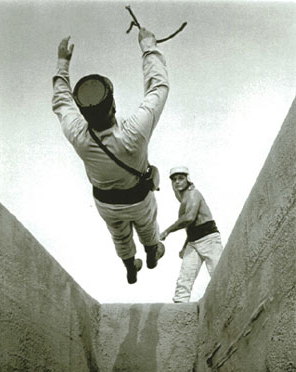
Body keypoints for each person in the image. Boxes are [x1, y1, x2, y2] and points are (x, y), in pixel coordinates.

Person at [52, 28, 169, 284]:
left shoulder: (79, 136)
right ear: (113, 105)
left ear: (84, 114)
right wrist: (148, 45)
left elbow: (61, 102)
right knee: (147, 224)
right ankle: (152, 251)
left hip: (105, 203)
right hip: (138, 198)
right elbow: (158, 87)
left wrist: (63, 63)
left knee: (119, 234)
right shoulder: (135, 131)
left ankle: (130, 265)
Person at [160, 167, 223, 302]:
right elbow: (191, 226)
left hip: (209, 239)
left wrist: (167, 231)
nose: (177, 182)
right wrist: (185, 246)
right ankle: (179, 310)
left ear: (187, 179)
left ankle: (228, 304)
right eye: (174, 179)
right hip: (193, 241)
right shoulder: (183, 199)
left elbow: (189, 218)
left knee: (219, 275)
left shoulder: (193, 194)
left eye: (180, 178)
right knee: (184, 279)